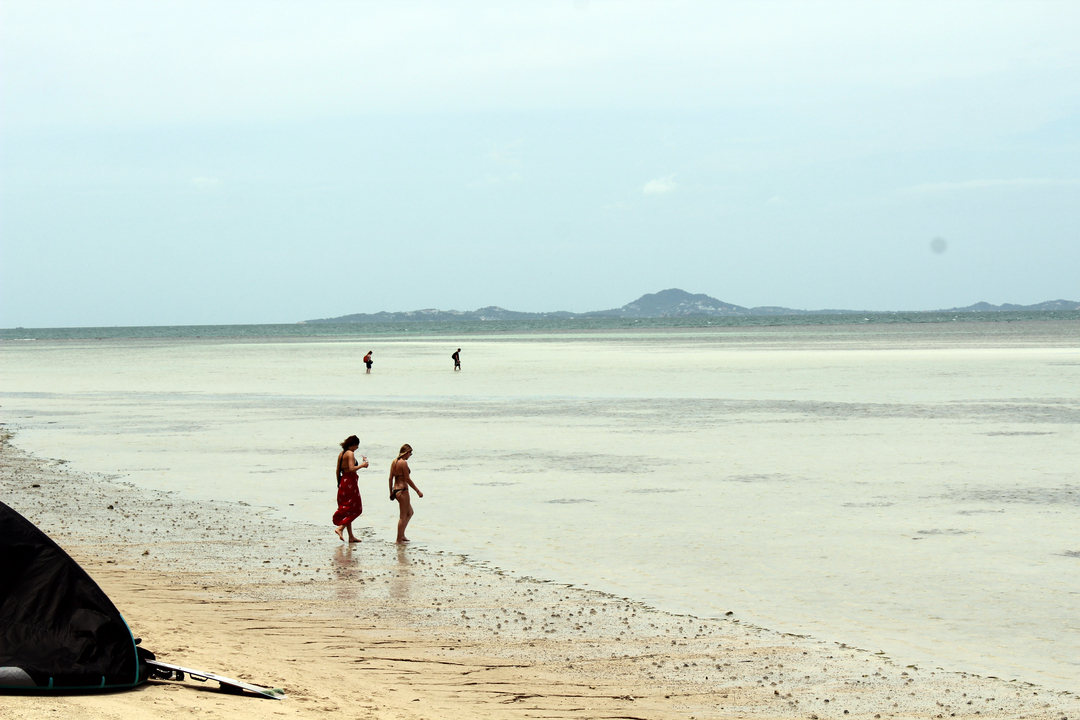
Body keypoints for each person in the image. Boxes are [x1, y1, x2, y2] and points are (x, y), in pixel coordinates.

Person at [333, 435, 368, 542]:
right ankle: (341, 528)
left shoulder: (341, 454)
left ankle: (351, 537)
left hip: (343, 482)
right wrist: (362, 465)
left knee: (348, 510)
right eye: (357, 446)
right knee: (357, 509)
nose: (357, 448)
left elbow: (337, 470)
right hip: (350, 483)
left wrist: (339, 483)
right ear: (353, 444)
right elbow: (352, 468)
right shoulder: (350, 453)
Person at [388, 444, 422, 543]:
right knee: (403, 516)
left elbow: (390, 478)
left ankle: (402, 535)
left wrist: (391, 492)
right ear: (406, 452)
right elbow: (407, 479)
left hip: (396, 490)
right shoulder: (403, 463)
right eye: (410, 453)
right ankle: (398, 539)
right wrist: (417, 491)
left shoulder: (394, 462)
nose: (410, 455)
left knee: (410, 512)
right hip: (403, 490)